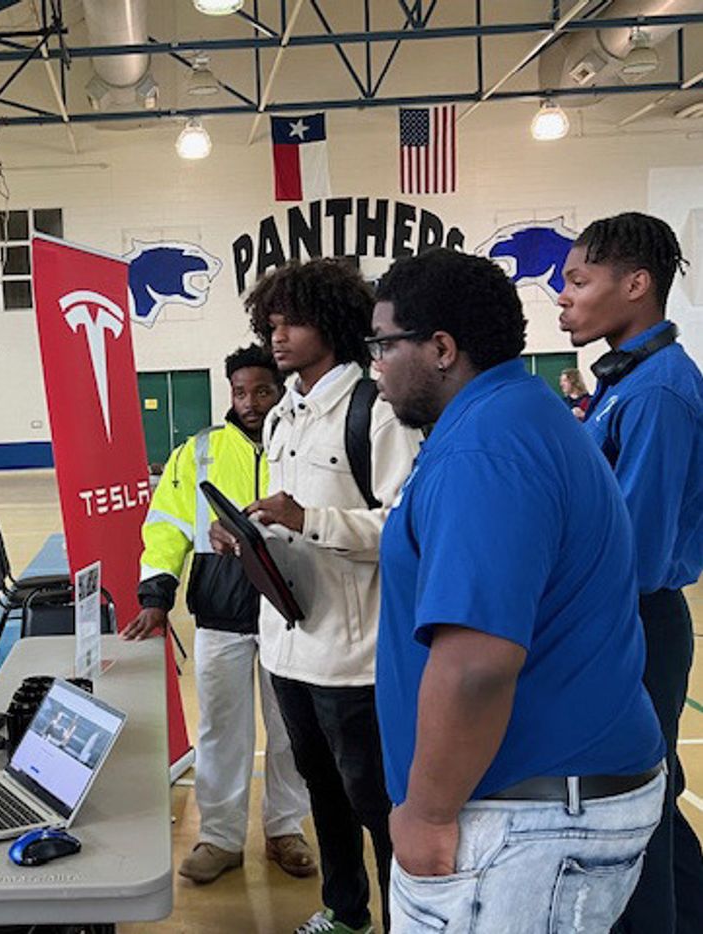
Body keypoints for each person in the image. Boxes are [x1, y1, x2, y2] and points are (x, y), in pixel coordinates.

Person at [371, 248, 666, 933]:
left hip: (526, 821)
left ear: (441, 348)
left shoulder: (487, 450)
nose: (376, 365)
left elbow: (477, 664)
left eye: (384, 344)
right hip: (547, 802)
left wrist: (428, 813)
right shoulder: (519, 412)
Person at [214, 260, 423, 934]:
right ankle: (345, 911)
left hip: (354, 658)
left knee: (377, 803)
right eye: (271, 322)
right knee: (324, 800)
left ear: (331, 322)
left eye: (292, 321)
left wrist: (308, 520)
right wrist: (248, 538)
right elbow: (286, 523)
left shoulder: (378, 411)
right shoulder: (283, 419)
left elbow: (405, 526)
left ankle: (406, 919)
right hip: (287, 649)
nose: (277, 336)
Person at [557, 211, 703, 934]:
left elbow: (636, 553)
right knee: (653, 803)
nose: (563, 297)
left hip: (636, 622)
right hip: (623, 619)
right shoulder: (626, 380)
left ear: (637, 284)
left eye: (579, 281)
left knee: (631, 811)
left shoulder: (654, 394)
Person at [124, 345, 315, 885]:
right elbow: (164, 525)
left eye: (262, 390)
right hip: (220, 614)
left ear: (280, 389)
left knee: (289, 732)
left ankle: (285, 828)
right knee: (220, 731)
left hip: (290, 612)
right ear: (228, 393)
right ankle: (221, 837)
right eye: (240, 392)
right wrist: (156, 596)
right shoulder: (198, 451)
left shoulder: (301, 444)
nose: (250, 402)